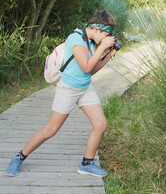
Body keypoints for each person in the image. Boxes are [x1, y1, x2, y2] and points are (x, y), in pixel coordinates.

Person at [6, 10, 118, 177]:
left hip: (85, 88)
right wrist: (102, 47)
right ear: (96, 29)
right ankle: (19, 157)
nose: (108, 38)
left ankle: (86, 164)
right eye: (107, 34)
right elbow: (86, 66)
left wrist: (108, 55)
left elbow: (91, 71)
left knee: (101, 124)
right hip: (68, 89)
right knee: (50, 130)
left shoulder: (94, 42)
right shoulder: (76, 39)